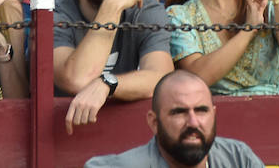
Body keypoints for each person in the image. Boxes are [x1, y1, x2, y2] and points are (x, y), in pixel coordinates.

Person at [51, 0, 173, 129]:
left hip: (128, 130)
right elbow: (75, 79)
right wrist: (113, 6)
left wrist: (107, 83)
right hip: (60, 131)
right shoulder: (54, 10)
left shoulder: (145, 7)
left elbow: (161, 78)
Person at [83, 70, 265, 168]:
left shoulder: (238, 159)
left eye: (201, 111)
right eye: (179, 112)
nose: (193, 122)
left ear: (214, 114)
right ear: (154, 122)